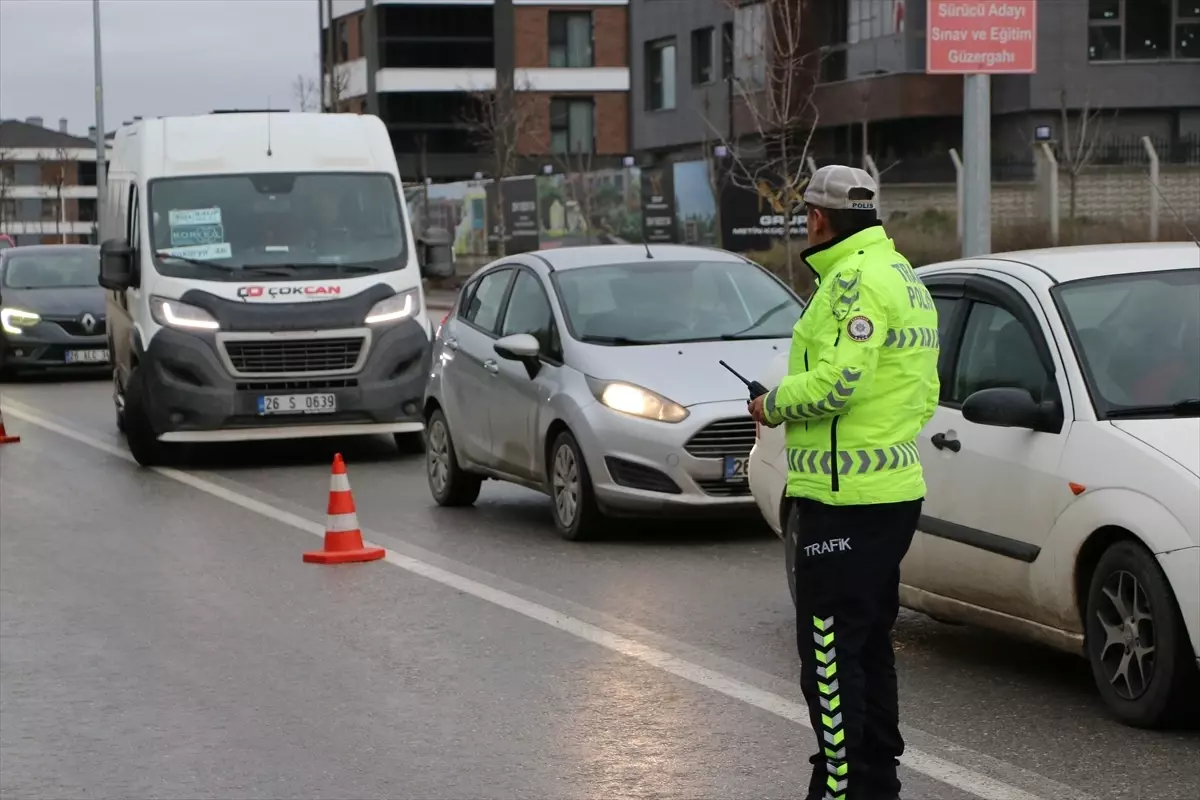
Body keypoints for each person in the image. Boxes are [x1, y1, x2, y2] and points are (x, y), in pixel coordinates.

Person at [748, 165, 940, 800]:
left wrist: (772, 404)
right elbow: (921, 389)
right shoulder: (903, 276)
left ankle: (839, 788)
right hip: (890, 494)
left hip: (843, 501)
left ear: (819, 219)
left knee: (828, 654)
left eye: (807, 214)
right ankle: (877, 780)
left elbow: (837, 385)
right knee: (866, 644)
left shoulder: (853, 283)